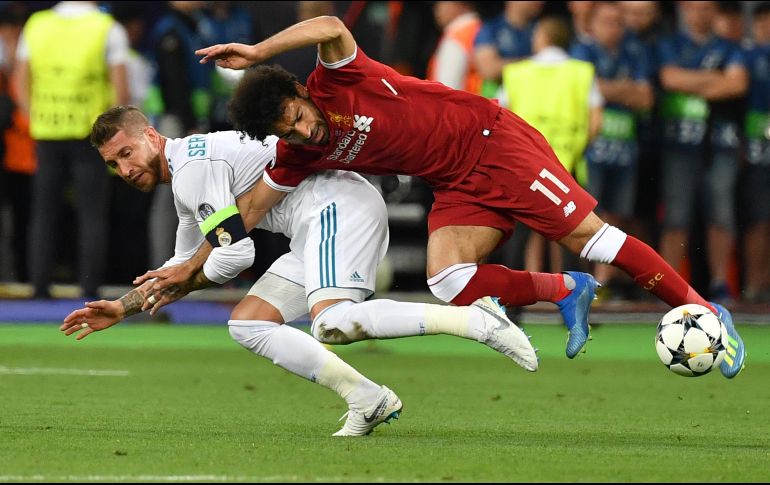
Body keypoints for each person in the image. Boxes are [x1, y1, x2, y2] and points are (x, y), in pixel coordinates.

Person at [188, 14, 745, 377]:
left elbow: (331, 24)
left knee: (591, 238)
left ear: (298, 91)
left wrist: (259, 49)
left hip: (493, 143)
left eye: (298, 118)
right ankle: (565, 288)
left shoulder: (339, 79)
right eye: (287, 133)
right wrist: (180, 273)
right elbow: (248, 212)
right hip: (454, 182)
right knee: (448, 279)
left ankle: (704, 310)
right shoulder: (300, 153)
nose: (303, 133)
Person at [60, 105, 537, 436]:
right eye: (113, 164)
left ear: (151, 135)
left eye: (126, 154)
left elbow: (232, 255)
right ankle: (368, 399)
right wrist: (123, 307)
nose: (123, 169)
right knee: (249, 323)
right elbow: (182, 262)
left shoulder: (191, 169)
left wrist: (188, 272)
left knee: (332, 322)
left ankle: (477, 319)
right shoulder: (187, 173)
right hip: (314, 225)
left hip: (335, 206)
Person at [14, 0, 129, 299]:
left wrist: (34, 116)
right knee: (92, 214)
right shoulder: (107, 28)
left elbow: (20, 78)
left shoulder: (37, 24)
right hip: (91, 134)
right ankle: (89, 289)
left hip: (47, 130)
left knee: (43, 212)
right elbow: (121, 91)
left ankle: (39, 288)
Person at [657, 1, 748, 305]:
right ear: (684, 9)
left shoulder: (729, 47)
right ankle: (668, 285)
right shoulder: (671, 44)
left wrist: (690, 82)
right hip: (679, 144)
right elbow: (669, 79)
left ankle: (720, 283)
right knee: (676, 217)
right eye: (695, 8)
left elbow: (737, 84)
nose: (700, 13)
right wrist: (713, 81)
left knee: (720, 215)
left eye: (707, 8)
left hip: (720, 143)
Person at [500, 16, 603, 279]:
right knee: (572, 230)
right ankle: (574, 293)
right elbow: (596, 120)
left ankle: (512, 298)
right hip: (567, 163)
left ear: (543, 38)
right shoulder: (581, 72)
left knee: (519, 231)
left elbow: (500, 115)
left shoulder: (517, 73)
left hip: (524, 164)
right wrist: (577, 146)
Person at [571, 1, 654, 297]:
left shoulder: (634, 51)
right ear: (591, 25)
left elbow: (645, 98)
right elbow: (583, 89)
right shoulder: (582, 51)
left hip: (624, 150)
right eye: (607, 21)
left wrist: (608, 88)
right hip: (591, 149)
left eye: (618, 22)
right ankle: (580, 282)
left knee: (618, 216)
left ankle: (602, 284)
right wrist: (624, 89)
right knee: (587, 215)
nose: (614, 28)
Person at [426, 1, 482, 94]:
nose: (436, 8)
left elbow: (447, 87)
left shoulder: (458, 35)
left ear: (459, 4)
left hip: (465, 105)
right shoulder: (482, 28)